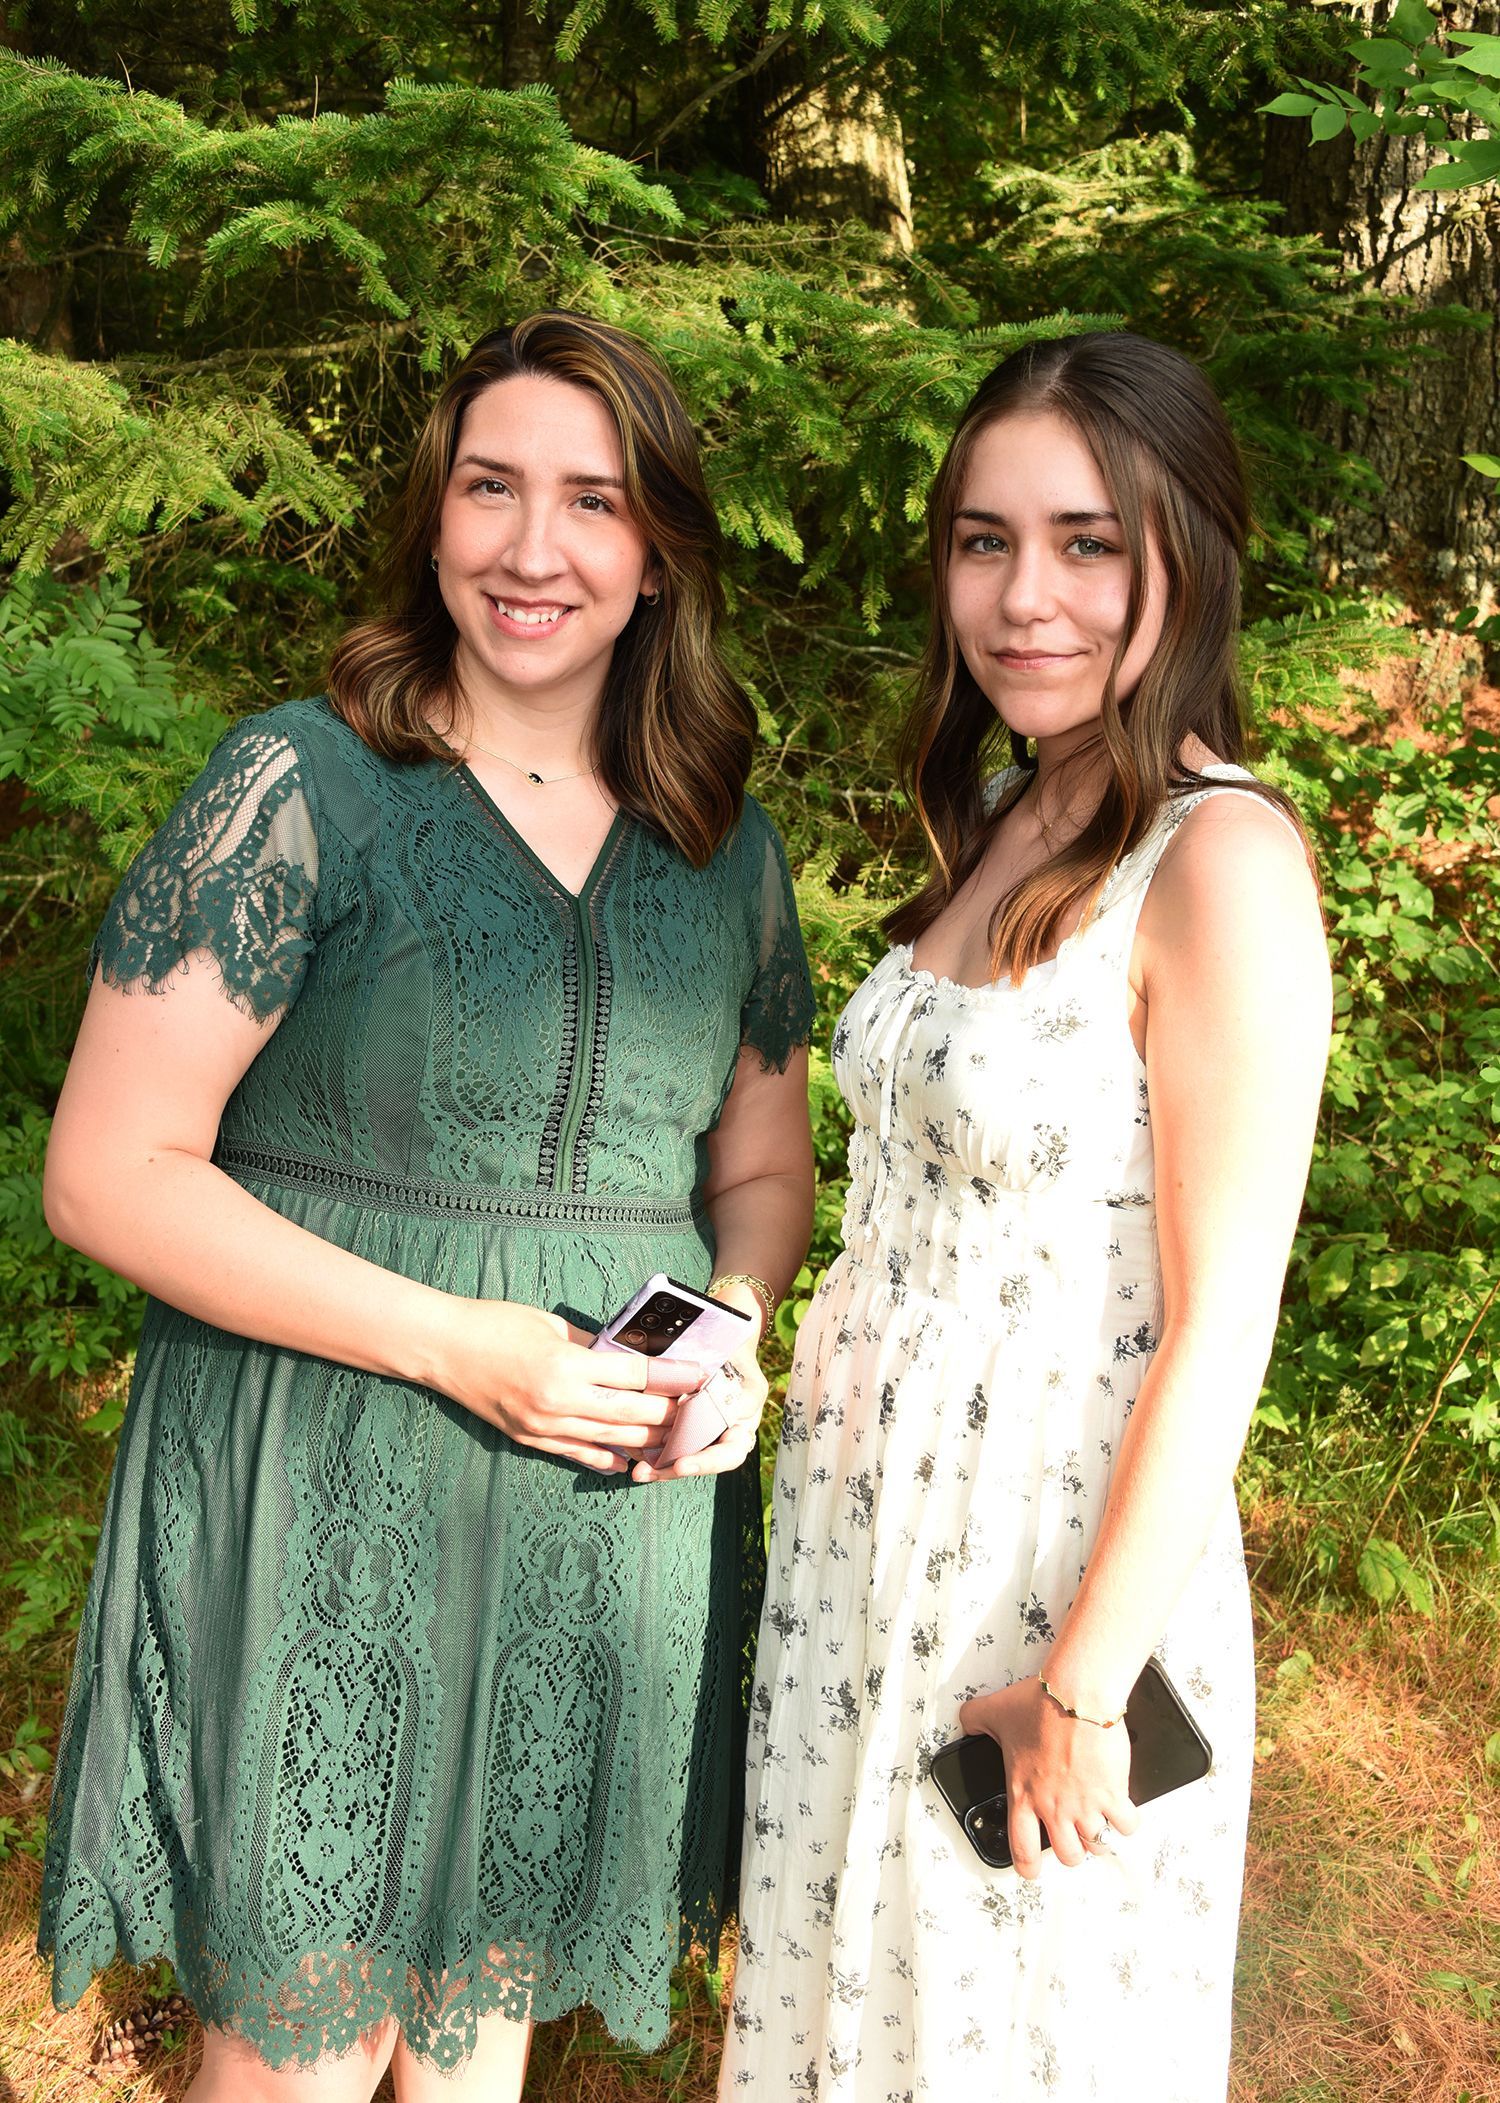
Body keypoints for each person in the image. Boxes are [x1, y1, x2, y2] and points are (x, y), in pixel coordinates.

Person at [39, 310, 815, 2103]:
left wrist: (739, 1335)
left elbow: (759, 1170)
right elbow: (106, 1172)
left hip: (595, 1511)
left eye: (591, 502)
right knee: (306, 2043)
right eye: (490, 488)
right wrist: (464, 1344)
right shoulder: (300, 787)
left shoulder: (725, 844)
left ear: (657, 554)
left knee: (479, 2035)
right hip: (334, 1471)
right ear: (434, 513)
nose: (532, 549)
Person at [721, 332, 1330, 2100]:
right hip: (865, 1550)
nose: (1024, 595)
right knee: (855, 2022)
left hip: (1049, 1566)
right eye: (984, 541)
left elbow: (1223, 1324)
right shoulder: (1005, 809)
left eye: (1087, 544)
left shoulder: (1219, 862)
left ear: (1186, 562)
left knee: (1014, 2042)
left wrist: (1084, 1684)